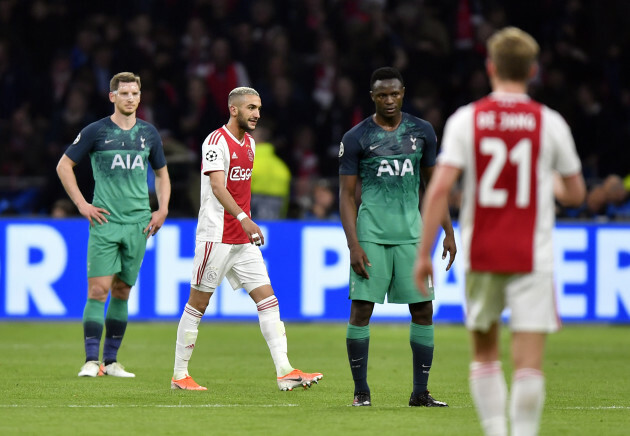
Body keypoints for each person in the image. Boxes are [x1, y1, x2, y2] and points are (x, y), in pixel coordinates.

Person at [414, 27, 586, 436]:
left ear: (490, 67)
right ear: (533, 71)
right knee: (528, 364)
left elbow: (439, 188)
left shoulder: (466, 119)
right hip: (532, 255)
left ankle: (495, 431)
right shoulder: (550, 123)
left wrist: (423, 255)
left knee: (485, 355)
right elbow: (576, 193)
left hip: (481, 251)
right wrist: (553, 183)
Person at [171, 87, 322, 391]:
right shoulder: (215, 142)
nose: (257, 114)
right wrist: (244, 218)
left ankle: (285, 372)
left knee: (268, 300)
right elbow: (217, 186)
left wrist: (244, 223)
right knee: (197, 305)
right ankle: (179, 375)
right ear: (234, 109)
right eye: (252, 108)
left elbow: (240, 190)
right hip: (216, 237)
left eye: (259, 108)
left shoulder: (251, 144)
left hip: (242, 241)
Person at [338, 67, 456, 407]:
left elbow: (433, 187)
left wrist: (448, 231)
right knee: (361, 310)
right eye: (382, 95)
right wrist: (353, 244)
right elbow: (346, 196)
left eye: (394, 94)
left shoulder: (422, 132)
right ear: (372, 97)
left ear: (403, 93)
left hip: (411, 238)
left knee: (423, 310)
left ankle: (420, 393)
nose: (389, 100)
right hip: (371, 235)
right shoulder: (356, 138)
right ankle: (361, 392)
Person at [56, 72, 171, 378]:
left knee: (122, 290)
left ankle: (111, 361)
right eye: (124, 94)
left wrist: (162, 209)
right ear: (112, 97)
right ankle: (91, 361)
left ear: (140, 96)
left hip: (138, 223)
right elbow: (64, 165)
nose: (130, 98)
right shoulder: (96, 131)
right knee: (98, 288)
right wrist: (82, 204)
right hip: (105, 220)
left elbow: (161, 174)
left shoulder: (149, 134)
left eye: (135, 93)